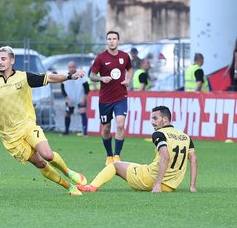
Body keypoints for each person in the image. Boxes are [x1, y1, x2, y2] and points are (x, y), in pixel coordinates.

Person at [0, 46, 88, 196]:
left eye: (3, 58)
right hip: (10, 136)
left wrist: (70, 76)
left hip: (27, 125)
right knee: (40, 163)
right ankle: (68, 186)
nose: (0, 61)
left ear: (12, 60)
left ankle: (68, 172)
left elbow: (49, 78)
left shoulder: (24, 77)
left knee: (48, 155)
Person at [78, 106, 198, 193]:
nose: (152, 122)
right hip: (171, 187)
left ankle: (91, 187)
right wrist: (192, 186)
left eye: (155, 118)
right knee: (139, 166)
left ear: (165, 119)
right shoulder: (185, 136)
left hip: (151, 181)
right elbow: (193, 160)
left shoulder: (159, 134)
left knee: (114, 165)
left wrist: (157, 185)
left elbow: (165, 157)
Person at [90, 31, 133, 165]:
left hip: (121, 97)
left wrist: (128, 79)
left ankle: (117, 155)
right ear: (106, 41)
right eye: (109, 39)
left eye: (114, 39)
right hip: (105, 99)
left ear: (118, 40)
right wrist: (101, 78)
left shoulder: (124, 56)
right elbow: (92, 76)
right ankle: (109, 155)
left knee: (120, 125)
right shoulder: (100, 58)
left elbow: (130, 69)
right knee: (106, 128)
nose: (112, 41)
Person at [61, 61, 89, 136]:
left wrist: (84, 99)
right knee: (67, 114)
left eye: (73, 67)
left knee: (83, 112)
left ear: (75, 67)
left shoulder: (81, 76)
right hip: (70, 99)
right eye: (70, 67)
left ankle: (85, 133)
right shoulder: (65, 76)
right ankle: (66, 131)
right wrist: (67, 99)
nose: (71, 68)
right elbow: (62, 90)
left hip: (80, 98)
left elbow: (87, 89)